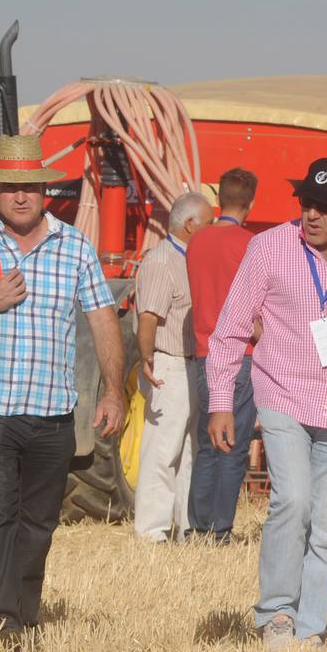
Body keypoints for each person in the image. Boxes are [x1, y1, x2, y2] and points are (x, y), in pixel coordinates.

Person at [0, 135, 126, 651]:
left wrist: (114, 391)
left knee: (38, 520)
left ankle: (23, 611)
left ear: (42, 190)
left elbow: (103, 320)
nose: (20, 197)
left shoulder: (73, 246)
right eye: (10, 188)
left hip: (52, 409)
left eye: (29, 187)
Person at [205, 156, 327, 649]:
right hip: (283, 394)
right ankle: (276, 614)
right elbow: (228, 332)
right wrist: (220, 402)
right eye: (305, 204)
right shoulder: (269, 248)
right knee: (292, 502)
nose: (311, 215)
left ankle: (311, 626)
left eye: (324, 206)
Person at [132, 192, 214, 542]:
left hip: (190, 364)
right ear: (190, 224)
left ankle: (184, 529)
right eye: (208, 224)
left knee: (190, 452)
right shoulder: (162, 260)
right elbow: (149, 316)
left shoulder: (188, 259)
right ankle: (151, 531)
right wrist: (147, 358)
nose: (211, 230)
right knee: (163, 451)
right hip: (168, 362)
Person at [187, 168, 259, 543]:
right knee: (233, 444)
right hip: (241, 353)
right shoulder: (250, 244)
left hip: (204, 351)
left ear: (219, 200)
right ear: (251, 202)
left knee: (207, 443)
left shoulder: (197, 241)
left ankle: (199, 525)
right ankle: (220, 529)